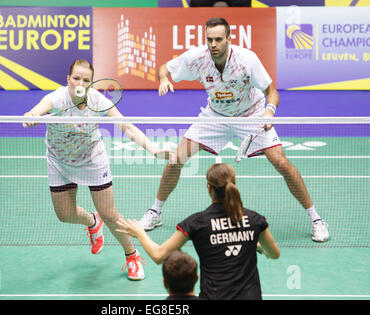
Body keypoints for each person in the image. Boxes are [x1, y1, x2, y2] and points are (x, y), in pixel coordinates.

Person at [139, 17, 329, 243]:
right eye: (209, 39)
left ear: (229, 39)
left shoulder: (246, 59)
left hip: (251, 113)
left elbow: (272, 92)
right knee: (176, 159)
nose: (213, 44)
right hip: (215, 116)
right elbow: (164, 68)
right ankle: (155, 212)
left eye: (218, 39)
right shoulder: (197, 58)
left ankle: (316, 219)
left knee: (281, 163)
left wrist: (269, 112)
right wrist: (163, 80)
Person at [23, 59, 172, 280]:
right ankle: (93, 222)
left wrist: (152, 149)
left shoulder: (98, 101)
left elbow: (127, 126)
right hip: (59, 159)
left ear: (91, 83)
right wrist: (31, 118)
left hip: (91, 158)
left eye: (85, 79)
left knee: (110, 214)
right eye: (76, 78)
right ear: (68, 80)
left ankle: (132, 255)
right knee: (64, 215)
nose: (80, 82)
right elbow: (35, 111)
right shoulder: (57, 98)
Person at [117, 163, 280, 300]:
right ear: (234, 184)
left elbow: (159, 255)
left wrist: (140, 232)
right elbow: (274, 254)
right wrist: (255, 244)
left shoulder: (197, 223)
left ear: (209, 188)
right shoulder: (254, 219)